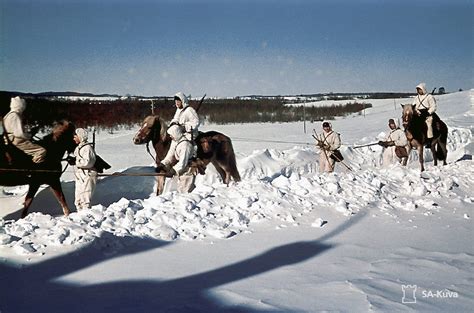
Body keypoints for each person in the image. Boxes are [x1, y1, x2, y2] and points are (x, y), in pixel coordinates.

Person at [3, 96, 46, 163]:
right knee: (41, 151)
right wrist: (29, 135)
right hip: (16, 140)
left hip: (10, 139)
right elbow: (19, 133)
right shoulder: (15, 115)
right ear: (20, 106)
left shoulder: (9, 115)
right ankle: (35, 167)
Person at [155, 124, 196, 193]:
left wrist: (172, 171)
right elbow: (170, 154)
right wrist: (163, 164)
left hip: (188, 170)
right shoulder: (176, 141)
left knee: (185, 192)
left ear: (176, 133)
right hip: (181, 171)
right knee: (180, 191)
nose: (170, 136)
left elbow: (183, 163)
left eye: (171, 134)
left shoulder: (185, 145)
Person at [67, 128, 97, 211]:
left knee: (85, 196)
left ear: (80, 136)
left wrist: (75, 161)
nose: (73, 139)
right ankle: (79, 214)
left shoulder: (87, 148)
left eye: (75, 136)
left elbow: (88, 162)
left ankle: (86, 214)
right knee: (79, 197)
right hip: (80, 174)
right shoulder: (79, 148)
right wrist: (72, 159)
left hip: (88, 174)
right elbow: (79, 159)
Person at [412, 83, 436, 147]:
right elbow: (414, 106)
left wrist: (428, 112)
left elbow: (433, 106)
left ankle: (429, 141)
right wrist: (416, 112)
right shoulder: (416, 98)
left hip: (427, 114)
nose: (419, 91)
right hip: (419, 113)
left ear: (423, 89)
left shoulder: (429, 97)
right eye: (418, 90)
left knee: (429, 124)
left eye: (420, 89)